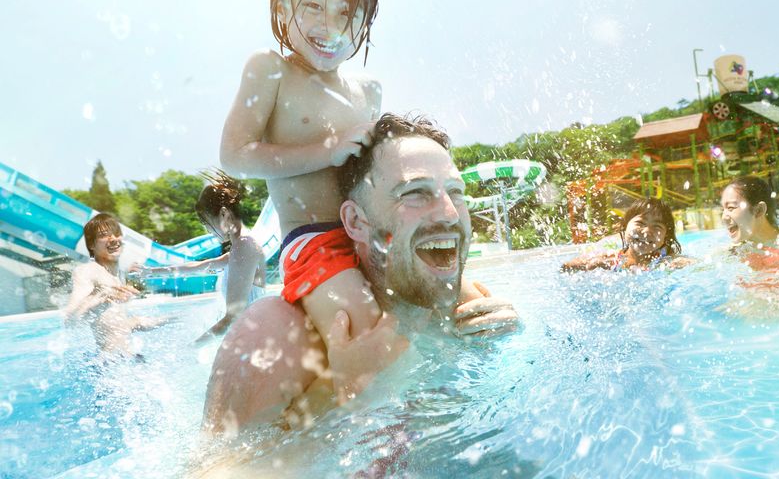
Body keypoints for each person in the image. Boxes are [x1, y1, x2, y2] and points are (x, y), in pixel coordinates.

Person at [218, 0, 491, 400]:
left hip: (368, 233)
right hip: (313, 240)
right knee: (368, 328)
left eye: (346, 13)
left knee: (463, 300)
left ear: (366, 20)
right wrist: (327, 150)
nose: (330, 26)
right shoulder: (271, 72)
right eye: (314, 6)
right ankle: (377, 433)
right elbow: (235, 154)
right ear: (282, 9)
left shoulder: (368, 89)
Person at [202, 114, 521, 436]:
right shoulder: (274, 334)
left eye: (455, 192)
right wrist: (339, 390)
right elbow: (216, 469)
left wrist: (513, 341)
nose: (449, 213)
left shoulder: (458, 311)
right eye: (415, 193)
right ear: (356, 222)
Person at [132, 170, 267, 341]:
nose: (208, 231)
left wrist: (192, 350)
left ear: (224, 214)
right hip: (248, 338)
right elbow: (199, 266)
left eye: (206, 223)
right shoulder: (238, 249)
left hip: (251, 341)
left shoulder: (244, 246)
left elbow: (232, 318)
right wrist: (152, 271)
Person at [64, 213, 169, 358]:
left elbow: (116, 324)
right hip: (109, 363)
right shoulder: (88, 271)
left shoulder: (118, 275)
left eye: (117, 233)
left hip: (128, 358)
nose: (113, 238)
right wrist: (101, 297)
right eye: (104, 235)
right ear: (91, 245)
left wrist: (167, 319)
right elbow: (69, 319)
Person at [562, 197, 691, 272]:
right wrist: (595, 263)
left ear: (666, 236)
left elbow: (700, 265)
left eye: (657, 226)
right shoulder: (611, 258)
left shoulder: (667, 261)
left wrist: (684, 264)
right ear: (625, 227)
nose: (646, 232)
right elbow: (565, 268)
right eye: (640, 223)